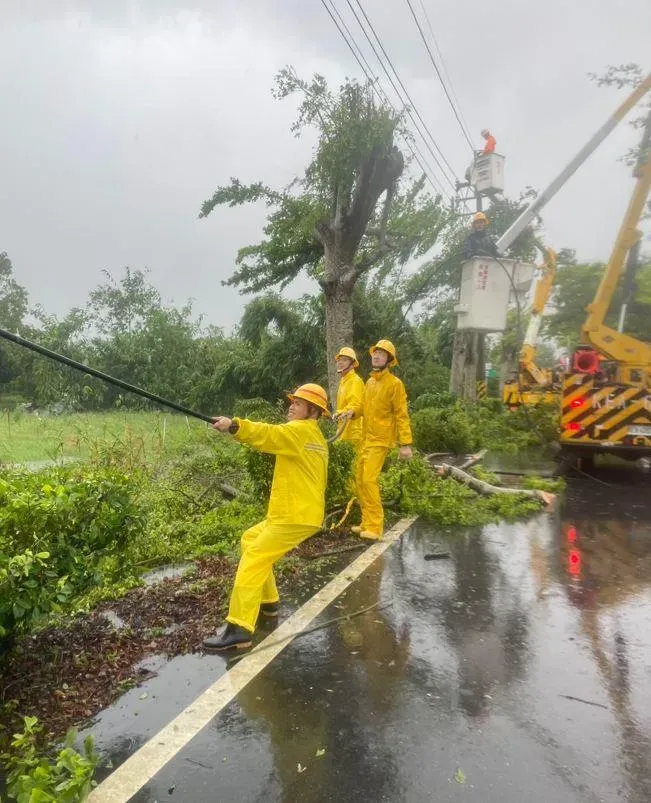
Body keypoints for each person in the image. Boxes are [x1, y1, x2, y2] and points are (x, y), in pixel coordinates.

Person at [202, 383, 330, 652]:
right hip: (293, 513)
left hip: (294, 515)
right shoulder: (314, 436)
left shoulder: (299, 431)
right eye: (292, 401)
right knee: (250, 539)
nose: (291, 406)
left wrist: (234, 425)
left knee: (254, 558)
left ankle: (239, 629)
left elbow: (267, 434)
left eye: (298, 403)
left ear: (314, 411)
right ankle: (268, 603)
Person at [340, 339, 413, 541]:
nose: (377, 356)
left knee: (369, 480)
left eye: (382, 354)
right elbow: (362, 407)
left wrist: (405, 444)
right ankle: (365, 522)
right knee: (360, 481)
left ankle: (375, 526)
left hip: (380, 440)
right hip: (365, 439)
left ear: (389, 360)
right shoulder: (370, 382)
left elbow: (401, 414)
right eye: (375, 353)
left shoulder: (395, 384)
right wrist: (350, 413)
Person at [334, 347, 365, 494]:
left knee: (355, 469)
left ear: (352, 364)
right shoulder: (344, 381)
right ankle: (348, 498)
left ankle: (356, 500)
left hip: (354, 432)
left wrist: (341, 412)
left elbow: (356, 404)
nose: (340, 363)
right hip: (343, 431)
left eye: (344, 360)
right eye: (339, 360)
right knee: (345, 468)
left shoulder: (355, 381)